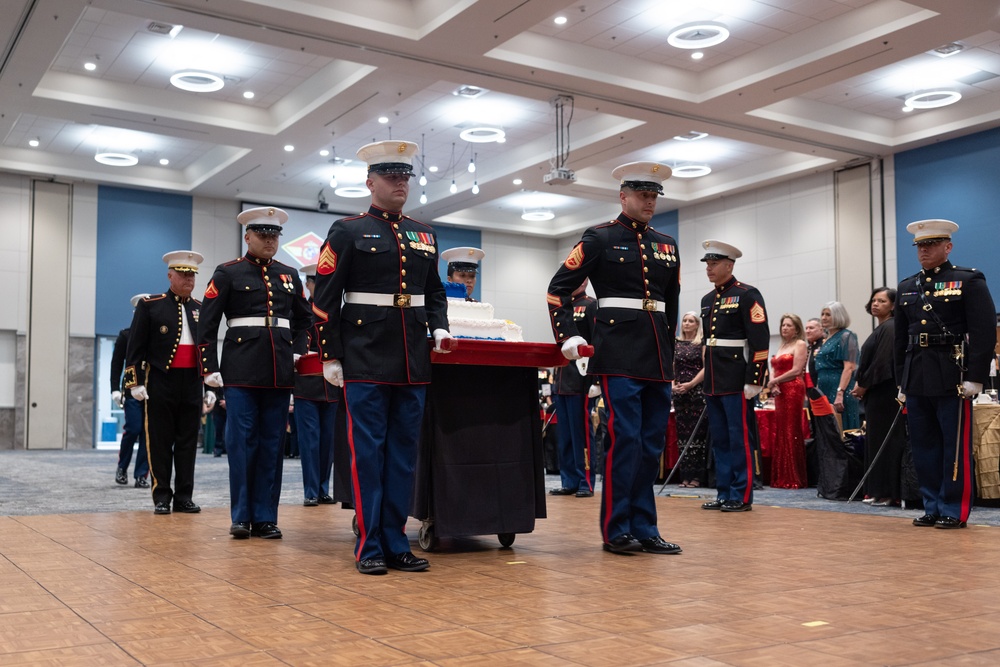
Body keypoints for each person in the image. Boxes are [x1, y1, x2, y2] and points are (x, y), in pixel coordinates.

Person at [312, 140, 451, 575]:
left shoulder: (424, 233)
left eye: (404, 177)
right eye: (391, 177)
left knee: (404, 456)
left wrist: (439, 325)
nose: (399, 184)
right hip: (364, 356)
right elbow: (324, 302)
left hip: (412, 358)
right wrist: (330, 356)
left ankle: (396, 541)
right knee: (368, 454)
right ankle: (369, 544)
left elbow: (434, 291)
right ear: (370, 182)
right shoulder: (348, 230)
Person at [546, 161, 682, 556]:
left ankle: (645, 527)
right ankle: (616, 528)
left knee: (652, 444)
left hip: (657, 354)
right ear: (623, 196)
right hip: (619, 352)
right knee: (627, 440)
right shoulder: (600, 238)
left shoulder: (667, 244)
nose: (649, 201)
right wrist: (568, 335)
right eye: (642, 194)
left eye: (654, 195)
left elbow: (670, 306)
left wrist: (670, 354)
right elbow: (558, 291)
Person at [197, 207, 312, 539]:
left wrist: (299, 350)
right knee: (242, 443)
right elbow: (207, 323)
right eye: (263, 235)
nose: (269, 241)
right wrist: (209, 369)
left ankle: (265, 517)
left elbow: (305, 320)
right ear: (247, 237)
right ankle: (242, 516)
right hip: (241, 370)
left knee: (272, 444)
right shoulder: (228, 273)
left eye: (274, 236)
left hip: (279, 370)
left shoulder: (290, 274)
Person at [895, 219, 995, 529]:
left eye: (931, 245)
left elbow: (984, 331)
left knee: (954, 445)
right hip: (917, 375)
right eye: (920, 246)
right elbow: (901, 339)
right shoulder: (907, 286)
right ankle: (932, 504)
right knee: (923, 445)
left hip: (953, 373)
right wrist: (901, 381)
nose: (923, 250)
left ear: (947, 247)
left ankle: (954, 507)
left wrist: (975, 377)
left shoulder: (968, 280)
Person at [124, 251, 211, 515]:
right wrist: (134, 383)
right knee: (160, 441)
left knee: (187, 442)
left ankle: (184, 496)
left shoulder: (200, 308)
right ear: (170, 275)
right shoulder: (150, 305)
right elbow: (134, 349)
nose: (189, 279)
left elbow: (206, 349)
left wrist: (209, 384)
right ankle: (161, 495)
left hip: (192, 383)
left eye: (192, 275)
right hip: (161, 380)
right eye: (183, 274)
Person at [699, 240, 770, 513]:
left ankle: (741, 495)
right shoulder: (707, 300)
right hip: (715, 379)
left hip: (737, 377)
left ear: (729, 265)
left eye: (714, 264)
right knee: (720, 439)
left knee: (738, 438)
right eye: (707, 264)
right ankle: (724, 491)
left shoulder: (747, 294)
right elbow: (709, 342)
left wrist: (754, 379)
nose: (709, 269)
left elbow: (760, 341)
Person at [852, 287, 904, 506]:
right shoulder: (880, 328)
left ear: (893, 305)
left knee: (887, 442)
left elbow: (882, 363)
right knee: (875, 440)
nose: (875, 304)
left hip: (885, 392)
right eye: (873, 300)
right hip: (876, 393)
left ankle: (888, 492)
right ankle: (875, 490)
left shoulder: (891, 327)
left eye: (882, 301)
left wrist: (863, 385)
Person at [293, 263, 339, 506]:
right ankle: (311, 490)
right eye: (315, 283)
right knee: (310, 441)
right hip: (307, 385)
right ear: (308, 284)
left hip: (330, 385)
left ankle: (323, 488)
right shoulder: (301, 312)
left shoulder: (335, 312)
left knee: (327, 442)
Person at [549, 278, 599, 498]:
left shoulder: (590, 305)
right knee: (565, 435)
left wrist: (595, 380)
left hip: (581, 379)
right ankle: (568, 479)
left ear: (586, 280)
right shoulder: (560, 305)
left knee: (582, 435)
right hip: (562, 378)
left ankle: (585, 480)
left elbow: (597, 342)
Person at [110, 293, 150, 488]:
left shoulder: (156, 337)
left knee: (148, 433)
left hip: (152, 392)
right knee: (134, 428)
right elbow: (116, 365)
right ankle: (122, 467)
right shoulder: (126, 335)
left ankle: (142, 474)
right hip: (131, 389)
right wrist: (114, 390)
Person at [766, 314, 809, 489]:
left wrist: (775, 381)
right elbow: (774, 368)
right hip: (780, 389)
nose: (785, 328)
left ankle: (793, 476)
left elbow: (797, 370)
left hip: (793, 388)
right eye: (783, 325)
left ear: (796, 328)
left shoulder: (800, 344)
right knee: (782, 430)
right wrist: (774, 384)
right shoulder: (782, 345)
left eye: (789, 325)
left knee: (792, 430)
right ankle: (781, 475)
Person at [672, 311, 708, 488]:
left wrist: (691, 384)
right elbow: (670, 366)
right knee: (683, 435)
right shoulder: (676, 344)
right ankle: (684, 475)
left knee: (697, 435)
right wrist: (673, 385)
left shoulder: (701, 343)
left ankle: (696, 477)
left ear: (697, 325)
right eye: (685, 320)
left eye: (691, 321)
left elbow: (706, 367)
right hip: (679, 393)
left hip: (696, 391)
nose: (686, 323)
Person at [816, 301, 860, 429]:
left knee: (842, 428)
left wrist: (840, 393)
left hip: (839, 389)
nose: (823, 317)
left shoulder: (846, 336)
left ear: (838, 316)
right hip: (825, 389)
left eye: (828, 315)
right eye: (822, 314)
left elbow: (849, 367)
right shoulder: (828, 338)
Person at [805, 317, 824, 386]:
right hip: (808, 387)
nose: (807, 331)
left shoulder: (825, 345)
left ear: (821, 330)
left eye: (811, 328)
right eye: (806, 328)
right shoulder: (808, 348)